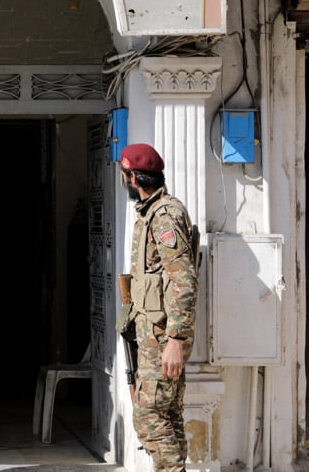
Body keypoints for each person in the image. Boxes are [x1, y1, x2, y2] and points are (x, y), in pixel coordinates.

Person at [119, 143, 198, 472]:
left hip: (164, 337)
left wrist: (176, 342)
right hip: (152, 332)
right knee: (168, 416)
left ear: (134, 178)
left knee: (149, 417)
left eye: (124, 176)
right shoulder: (151, 213)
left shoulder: (163, 216)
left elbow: (184, 279)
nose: (124, 181)